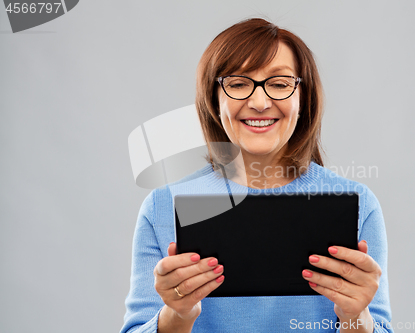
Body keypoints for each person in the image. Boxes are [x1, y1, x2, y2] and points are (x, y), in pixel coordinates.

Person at [121, 18, 393, 333]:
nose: (260, 102)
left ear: (302, 98)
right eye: (238, 84)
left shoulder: (360, 206)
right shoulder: (161, 206)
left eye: (279, 83)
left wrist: (354, 317)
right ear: (215, 100)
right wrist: (178, 315)